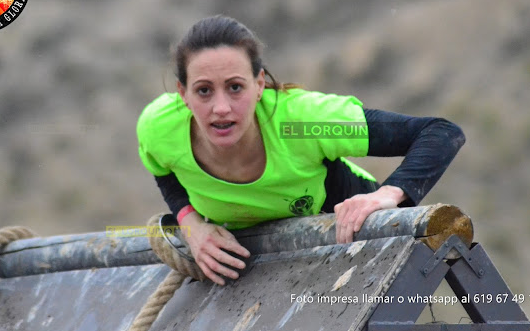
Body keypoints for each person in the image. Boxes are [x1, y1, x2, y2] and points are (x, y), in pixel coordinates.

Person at [136, 15, 465, 285]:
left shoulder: (303, 122)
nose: (221, 108)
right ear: (183, 93)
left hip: (354, 246)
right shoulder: (160, 128)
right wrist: (190, 223)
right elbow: (162, 170)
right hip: (265, 268)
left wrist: (387, 195)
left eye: (235, 87)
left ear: (259, 85)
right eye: (204, 91)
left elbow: (440, 133)